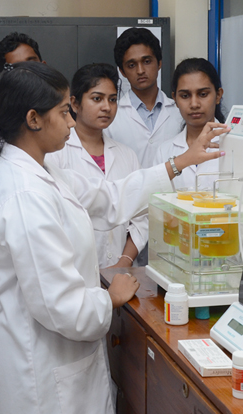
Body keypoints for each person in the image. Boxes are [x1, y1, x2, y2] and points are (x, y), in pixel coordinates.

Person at [0, 62, 228, 414]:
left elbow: (108, 198)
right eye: (63, 113)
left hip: (56, 362)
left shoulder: (42, 169)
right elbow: (61, 306)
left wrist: (181, 161)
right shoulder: (25, 194)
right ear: (33, 119)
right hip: (40, 371)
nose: (71, 123)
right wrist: (110, 298)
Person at [50, 63, 146, 269]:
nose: (107, 107)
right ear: (74, 104)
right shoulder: (56, 154)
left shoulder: (127, 155)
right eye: (97, 98)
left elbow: (141, 218)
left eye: (112, 99)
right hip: (74, 271)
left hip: (122, 271)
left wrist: (124, 262)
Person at [106, 27, 183, 168]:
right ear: (122, 72)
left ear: (159, 63)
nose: (140, 70)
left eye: (147, 61)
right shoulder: (111, 116)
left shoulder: (180, 111)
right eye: (131, 65)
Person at [153, 58, 225, 190]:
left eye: (203, 94)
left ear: (218, 95)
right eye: (185, 96)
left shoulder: (236, 146)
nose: (194, 104)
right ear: (175, 99)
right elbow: (156, 198)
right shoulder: (164, 151)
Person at [0, 32, 45, 124]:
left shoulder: (63, 106)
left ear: (44, 66)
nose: (27, 71)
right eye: (17, 68)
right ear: (5, 78)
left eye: (31, 63)